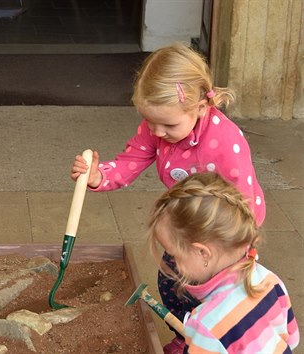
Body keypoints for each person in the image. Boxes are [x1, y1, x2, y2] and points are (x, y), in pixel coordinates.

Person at [70, 42, 266, 353]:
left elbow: (241, 202)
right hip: (184, 224)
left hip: (224, 236)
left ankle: (221, 343)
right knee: (171, 282)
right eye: (151, 122)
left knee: (220, 298)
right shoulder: (159, 127)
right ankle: (184, 334)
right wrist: (99, 176)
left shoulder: (226, 142)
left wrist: (235, 247)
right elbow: (131, 159)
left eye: (168, 125)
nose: (157, 132)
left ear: (201, 106)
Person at [146, 172, 299, 353]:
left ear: (203, 253)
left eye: (174, 255)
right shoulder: (269, 279)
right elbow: (292, 337)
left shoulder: (206, 326)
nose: (174, 264)